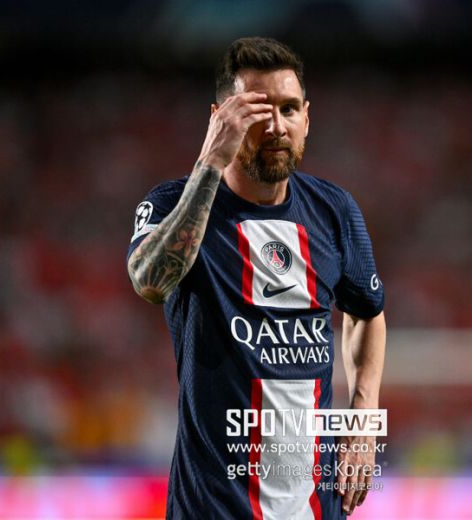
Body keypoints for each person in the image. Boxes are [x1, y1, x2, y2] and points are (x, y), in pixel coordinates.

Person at [127, 37, 386, 520]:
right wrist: (211, 161)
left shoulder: (333, 211)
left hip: (316, 507)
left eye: (289, 109)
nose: (276, 126)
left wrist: (364, 422)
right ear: (220, 118)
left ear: (306, 117)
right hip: (213, 508)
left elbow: (368, 313)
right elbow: (149, 281)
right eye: (256, 110)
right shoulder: (171, 205)